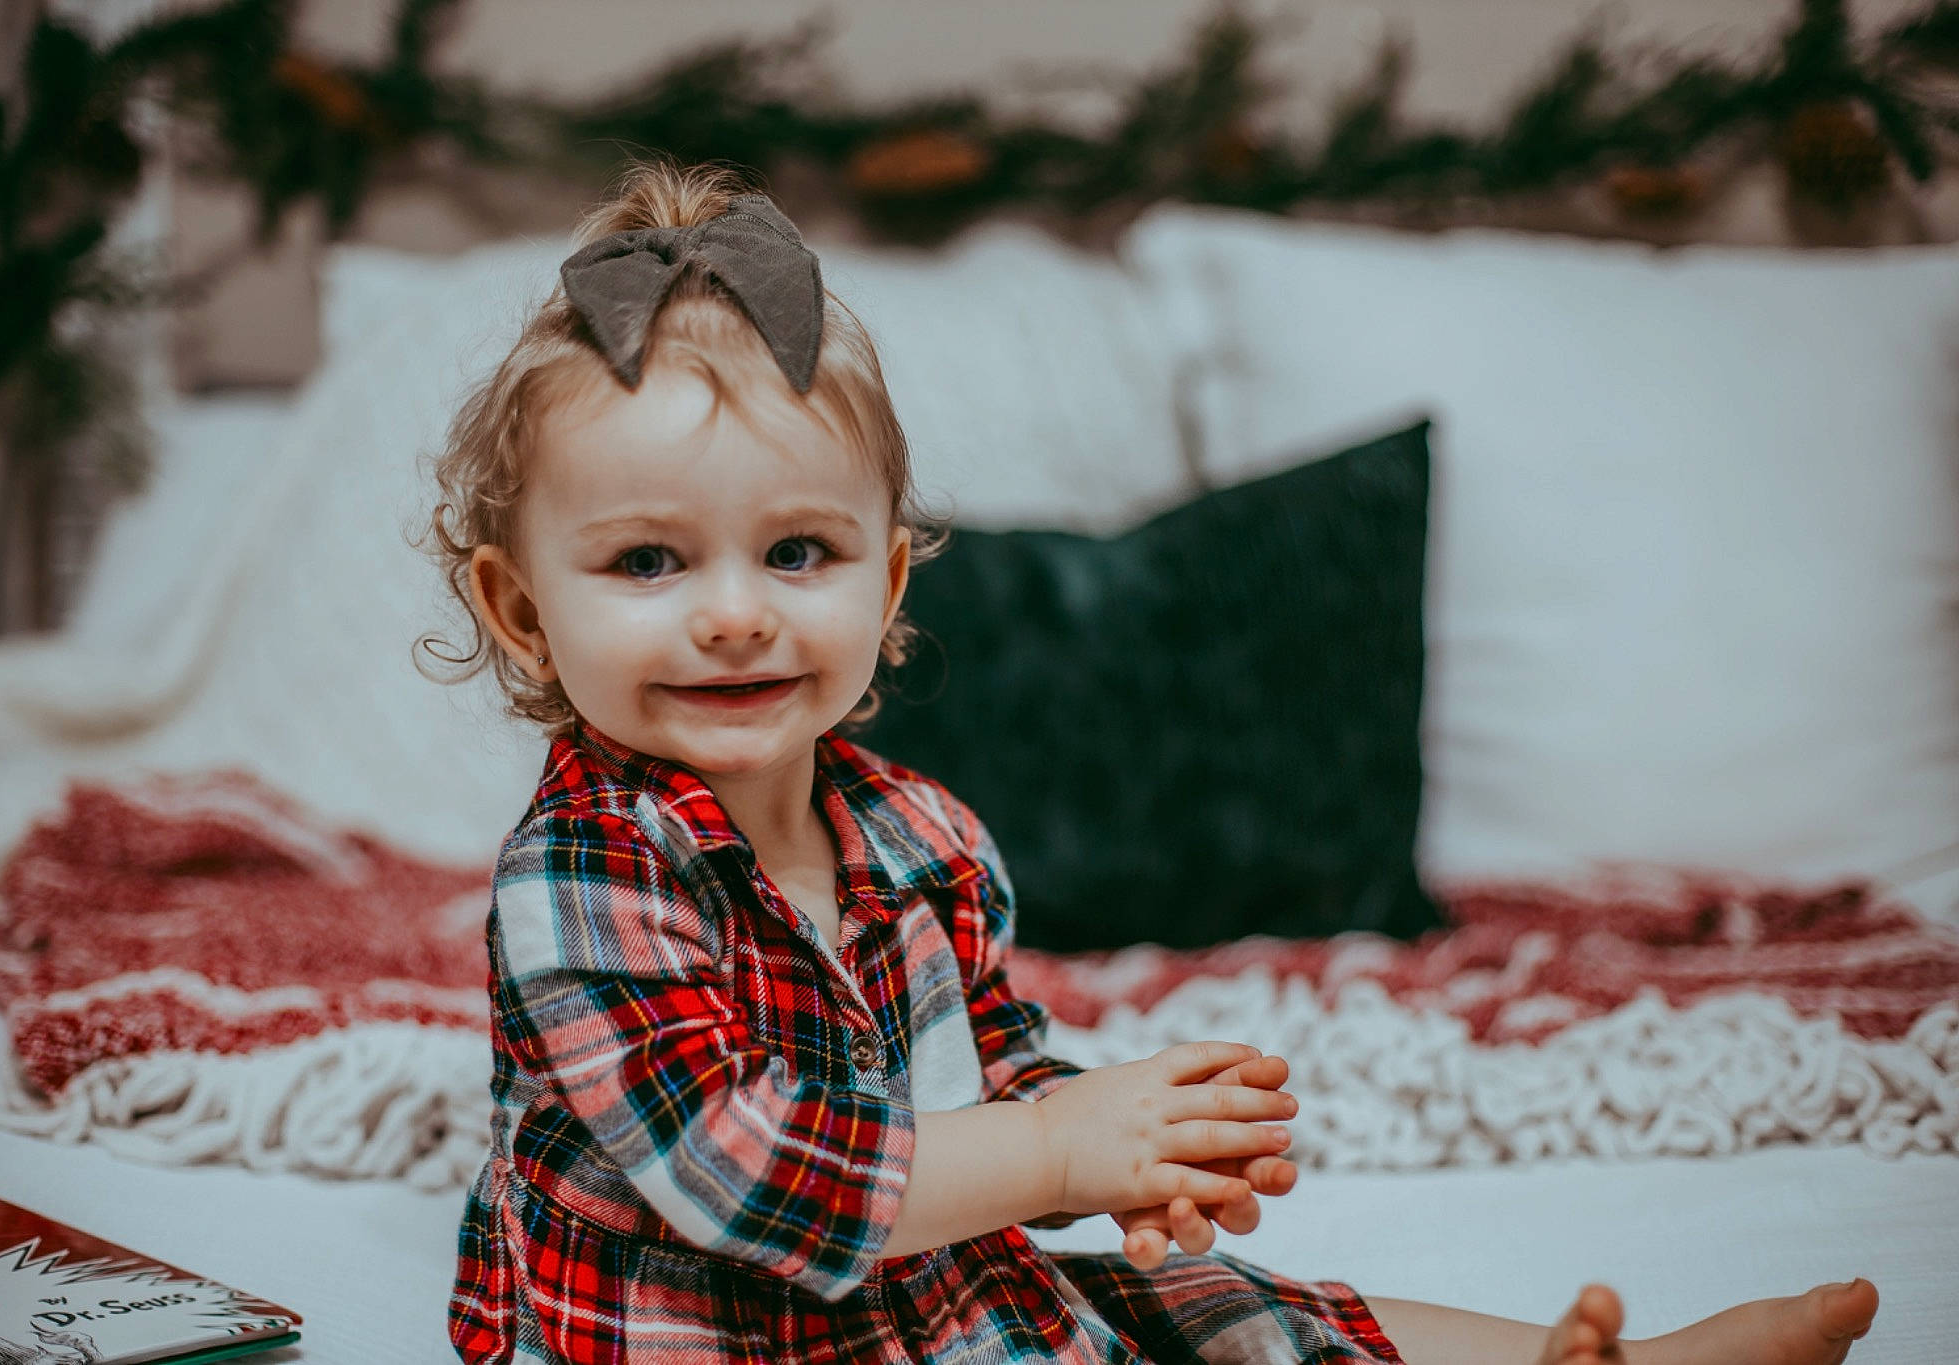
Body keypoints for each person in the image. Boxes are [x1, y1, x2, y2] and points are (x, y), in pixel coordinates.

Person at [419, 158, 1882, 1364]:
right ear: (521, 605)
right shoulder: (586, 869)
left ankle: (1576, 1357)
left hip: (900, 1293)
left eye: (798, 548)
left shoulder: (918, 833)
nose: (736, 611)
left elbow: (986, 1070)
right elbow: (748, 1176)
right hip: (686, 1332)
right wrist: (1058, 1151)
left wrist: (1134, 1142)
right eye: (649, 560)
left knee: (1210, 1310)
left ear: (890, 579)